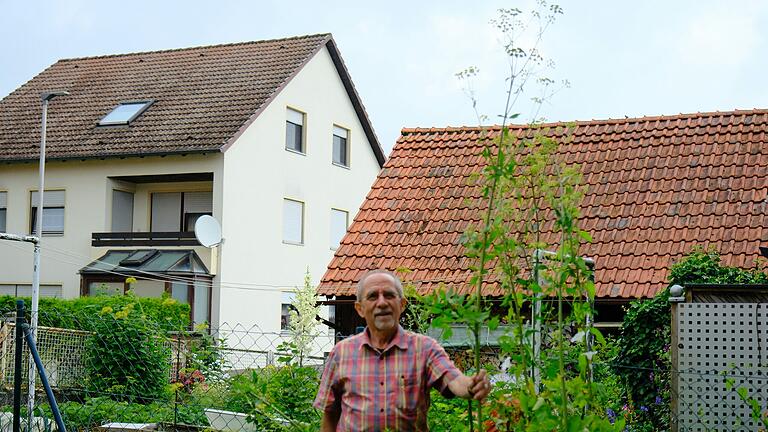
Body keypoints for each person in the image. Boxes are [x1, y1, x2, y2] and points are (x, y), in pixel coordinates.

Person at [314, 269, 492, 431]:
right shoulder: (341, 353)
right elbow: (330, 413)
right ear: (360, 309)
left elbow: (453, 378)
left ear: (402, 304)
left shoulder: (424, 349)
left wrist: (471, 386)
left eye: (389, 295)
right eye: (373, 296)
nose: (382, 303)